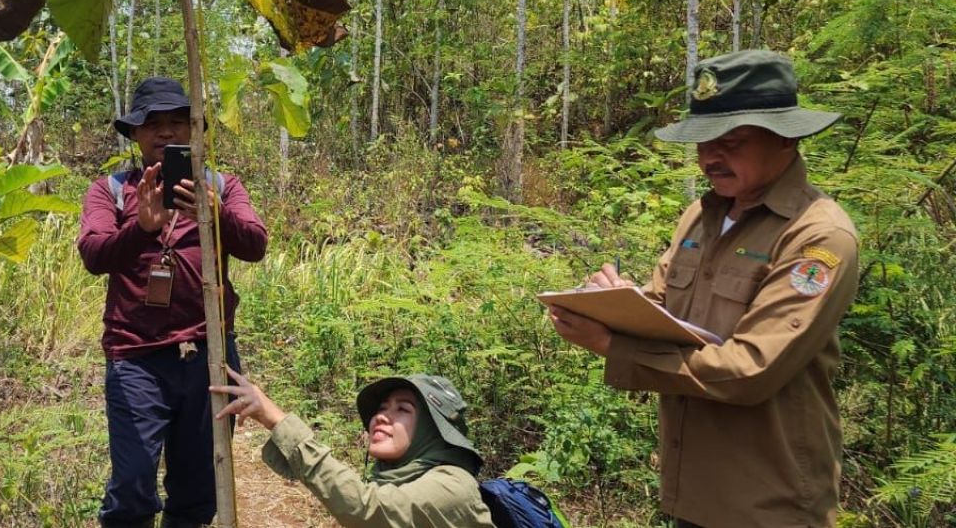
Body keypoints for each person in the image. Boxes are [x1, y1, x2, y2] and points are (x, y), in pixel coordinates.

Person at [548, 49, 859, 528]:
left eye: (731, 141)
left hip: (766, 504)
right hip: (690, 490)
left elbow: (751, 369)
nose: (711, 156)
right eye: (703, 141)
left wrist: (613, 346)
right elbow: (663, 312)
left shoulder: (816, 236)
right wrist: (611, 304)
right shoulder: (703, 215)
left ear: (786, 138)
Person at [77, 76, 268, 528]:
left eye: (177, 122)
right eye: (153, 124)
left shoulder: (222, 186)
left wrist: (214, 214)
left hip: (208, 352)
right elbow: (93, 254)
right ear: (135, 134)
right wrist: (140, 228)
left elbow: (256, 244)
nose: (166, 133)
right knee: (133, 479)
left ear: (194, 130)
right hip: (136, 356)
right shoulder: (111, 190)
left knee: (199, 483)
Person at [213, 369, 495, 528]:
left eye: (403, 409)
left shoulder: (454, 486)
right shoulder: (395, 478)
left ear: (431, 431)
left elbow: (365, 509)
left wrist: (275, 418)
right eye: (382, 408)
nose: (382, 416)